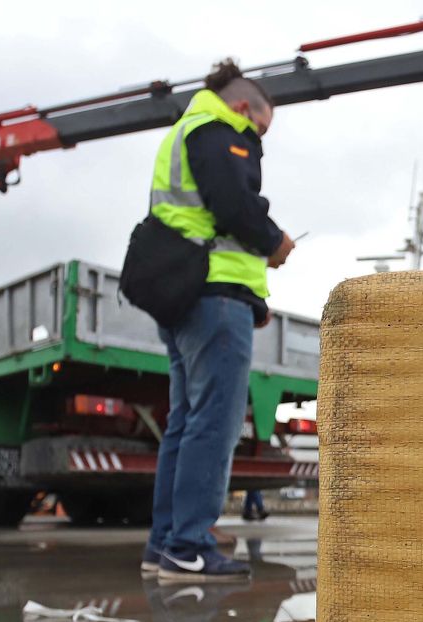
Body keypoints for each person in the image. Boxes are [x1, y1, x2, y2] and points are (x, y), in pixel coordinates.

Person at [142, 59, 295, 582]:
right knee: (214, 425)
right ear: (242, 107)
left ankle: (163, 546)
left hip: (193, 293)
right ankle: (188, 547)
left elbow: (208, 217)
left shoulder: (184, 132)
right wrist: (275, 243)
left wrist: (250, 295)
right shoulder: (219, 129)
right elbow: (232, 205)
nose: (259, 141)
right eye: (260, 128)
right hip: (212, 297)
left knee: (185, 424)